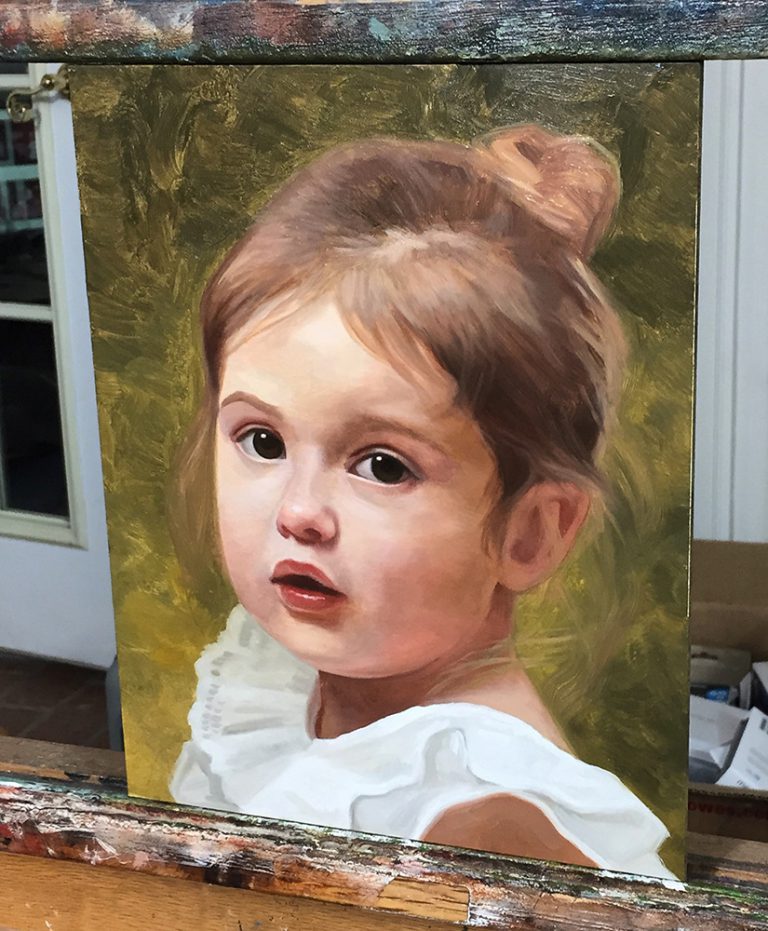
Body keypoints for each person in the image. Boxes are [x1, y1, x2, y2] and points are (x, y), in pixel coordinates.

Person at [169, 124, 675, 879]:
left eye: (382, 465)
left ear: (530, 534)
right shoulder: (286, 683)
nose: (298, 512)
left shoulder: (483, 811)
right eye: (263, 441)